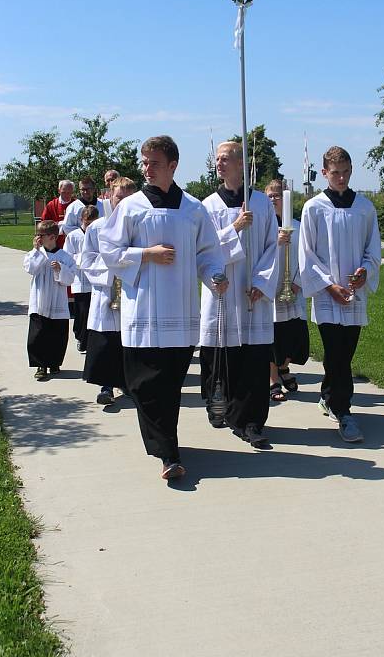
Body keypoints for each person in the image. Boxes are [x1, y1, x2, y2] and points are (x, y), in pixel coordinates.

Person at [99, 136, 226, 480]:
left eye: (153, 163)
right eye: (143, 162)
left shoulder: (193, 209)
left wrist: (216, 274)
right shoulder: (131, 206)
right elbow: (110, 250)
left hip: (181, 312)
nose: (146, 169)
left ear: (173, 166)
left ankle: (168, 447)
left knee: (169, 385)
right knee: (144, 384)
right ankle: (168, 451)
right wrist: (146, 254)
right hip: (142, 310)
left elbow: (209, 252)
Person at [299, 146, 381, 442]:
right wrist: (328, 286)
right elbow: (306, 253)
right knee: (336, 353)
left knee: (345, 353)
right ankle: (344, 413)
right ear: (324, 173)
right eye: (336, 173)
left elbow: (373, 249)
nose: (342, 178)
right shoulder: (314, 207)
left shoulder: (364, 208)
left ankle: (327, 394)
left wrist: (365, 272)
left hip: (354, 293)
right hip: (326, 294)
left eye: (346, 172)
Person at [199, 141, 279, 446]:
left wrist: (262, 282)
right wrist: (233, 227)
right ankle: (226, 409)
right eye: (217, 159)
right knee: (226, 358)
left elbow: (273, 246)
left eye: (225, 159)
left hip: (252, 293)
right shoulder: (209, 206)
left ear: (241, 164)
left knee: (255, 360)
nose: (219, 164)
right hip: (224, 291)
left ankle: (252, 421)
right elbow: (204, 250)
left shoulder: (260, 203)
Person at [81, 177, 136, 405]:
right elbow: (87, 259)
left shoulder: (138, 225)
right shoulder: (96, 227)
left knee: (128, 342)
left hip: (131, 291)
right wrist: (112, 265)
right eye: (118, 197)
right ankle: (106, 387)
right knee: (106, 341)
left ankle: (128, 384)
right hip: (106, 290)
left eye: (127, 198)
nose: (122, 202)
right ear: (109, 196)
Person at [265, 180, 309, 402]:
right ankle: (272, 378)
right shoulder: (264, 227)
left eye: (278, 195)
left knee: (292, 334)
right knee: (273, 335)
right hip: (270, 290)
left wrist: (297, 283)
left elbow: (306, 256)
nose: (274, 199)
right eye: (270, 196)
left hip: (293, 288)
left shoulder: (298, 226)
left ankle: (284, 368)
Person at [23, 220, 76, 381]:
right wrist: (36, 250)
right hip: (39, 300)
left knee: (57, 335)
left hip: (58, 301)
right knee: (38, 335)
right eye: (37, 234)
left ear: (52, 237)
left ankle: (54, 363)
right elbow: (30, 268)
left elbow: (70, 279)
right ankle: (40, 365)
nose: (38, 238)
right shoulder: (36, 253)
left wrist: (61, 269)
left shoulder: (65, 257)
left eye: (41, 235)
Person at [63, 205, 99, 353]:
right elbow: (67, 256)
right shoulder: (73, 236)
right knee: (81, 312)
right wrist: (82, 259)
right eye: (86, 222)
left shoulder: (100, 234)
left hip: (96, 281)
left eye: (92, 222)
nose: (89, 225)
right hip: (80, 280)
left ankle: (90, 341)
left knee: (94, 312)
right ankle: (80, 337)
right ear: (81, 220)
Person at [41, 180, 75, 250]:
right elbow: (44, 224)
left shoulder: (76, 204)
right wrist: (60, 225)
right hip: (54, 244)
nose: (66, 195)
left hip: (73, 244)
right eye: (63, 192)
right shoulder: (51, 205)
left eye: (69, 193)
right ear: (59, 191)